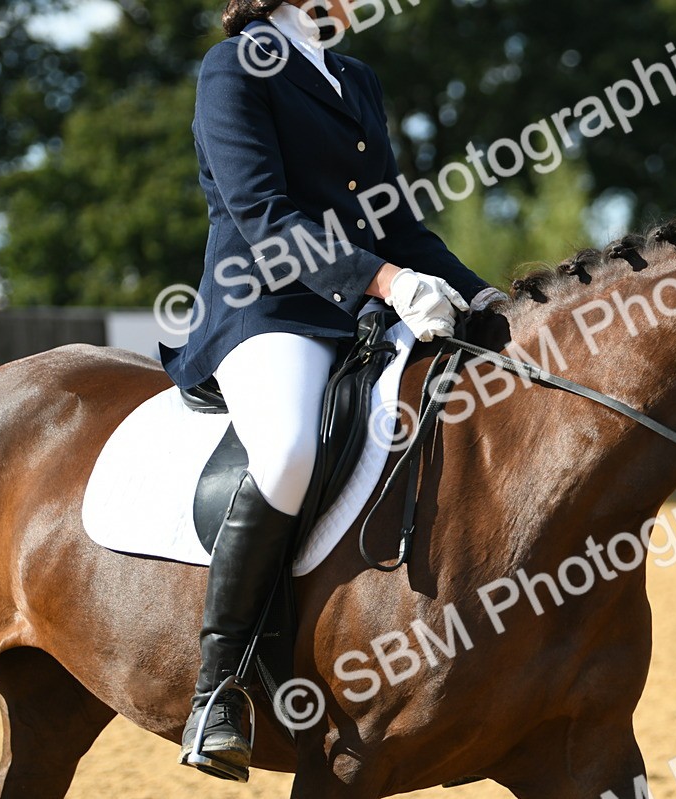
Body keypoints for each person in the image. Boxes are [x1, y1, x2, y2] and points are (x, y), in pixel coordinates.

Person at [159, 0, 505, 780]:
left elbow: (393, 220)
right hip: (266, 307)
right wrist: (382, 279)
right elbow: (262, 213)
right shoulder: (234, 65)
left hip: (358, 316)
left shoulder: (353, 76)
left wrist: (481, 296)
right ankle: (219, 687)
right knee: (286, 450)